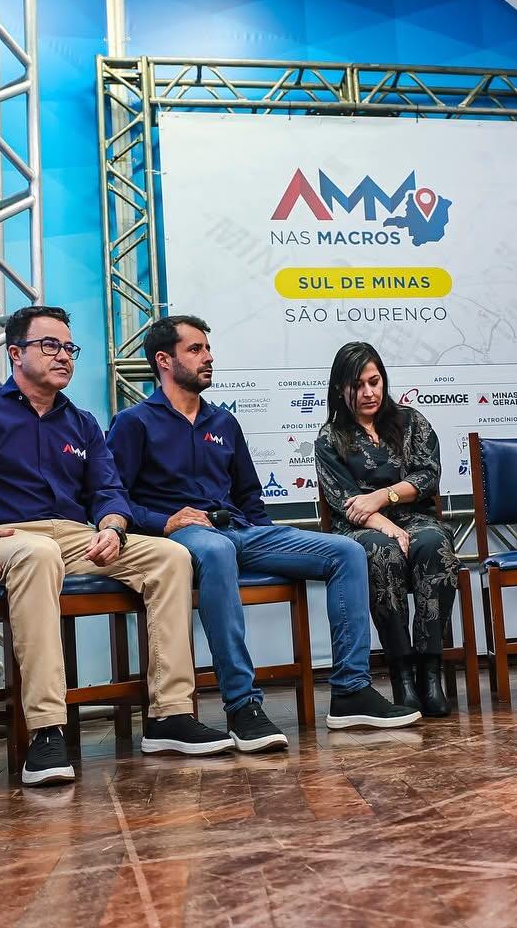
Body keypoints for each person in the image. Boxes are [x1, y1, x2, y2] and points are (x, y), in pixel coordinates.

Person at [0, 305, 232, 786]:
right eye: (50, 345)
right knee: (38, 554)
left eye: (69, 347)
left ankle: (169, 714)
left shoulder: (81, 422)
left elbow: (108, 492)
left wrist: (112, 527)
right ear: (15, 353)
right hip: (4, 536)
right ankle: (47, 729)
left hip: (74, 535)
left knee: (171, 555)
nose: (63, 355)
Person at [108, 316, 420, 744]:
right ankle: (242, 705)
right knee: (217, 551)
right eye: (195, 349)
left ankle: (351, 691)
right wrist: (164, 521)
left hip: (238, 531)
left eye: (207, 348)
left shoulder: (223, 422)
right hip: (181, 537)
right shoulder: (134, 422)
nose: (208, 357)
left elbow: (249, 495)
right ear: (164, 360)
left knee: (346, 552)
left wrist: (268, 540)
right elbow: (113, 498)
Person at [314, 342, 463, 717]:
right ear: (340, 389)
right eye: (358, 385)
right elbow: (346, 501)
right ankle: (402, 676)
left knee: (434, 543)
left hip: (416, 518)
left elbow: (427, 476)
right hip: (361, 528)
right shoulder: (330, 439)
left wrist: (383, 496)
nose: (369, 392)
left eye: (374, 381)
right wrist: (388, 526)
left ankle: (430, 672)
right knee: (382, 551)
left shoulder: (411, 422)